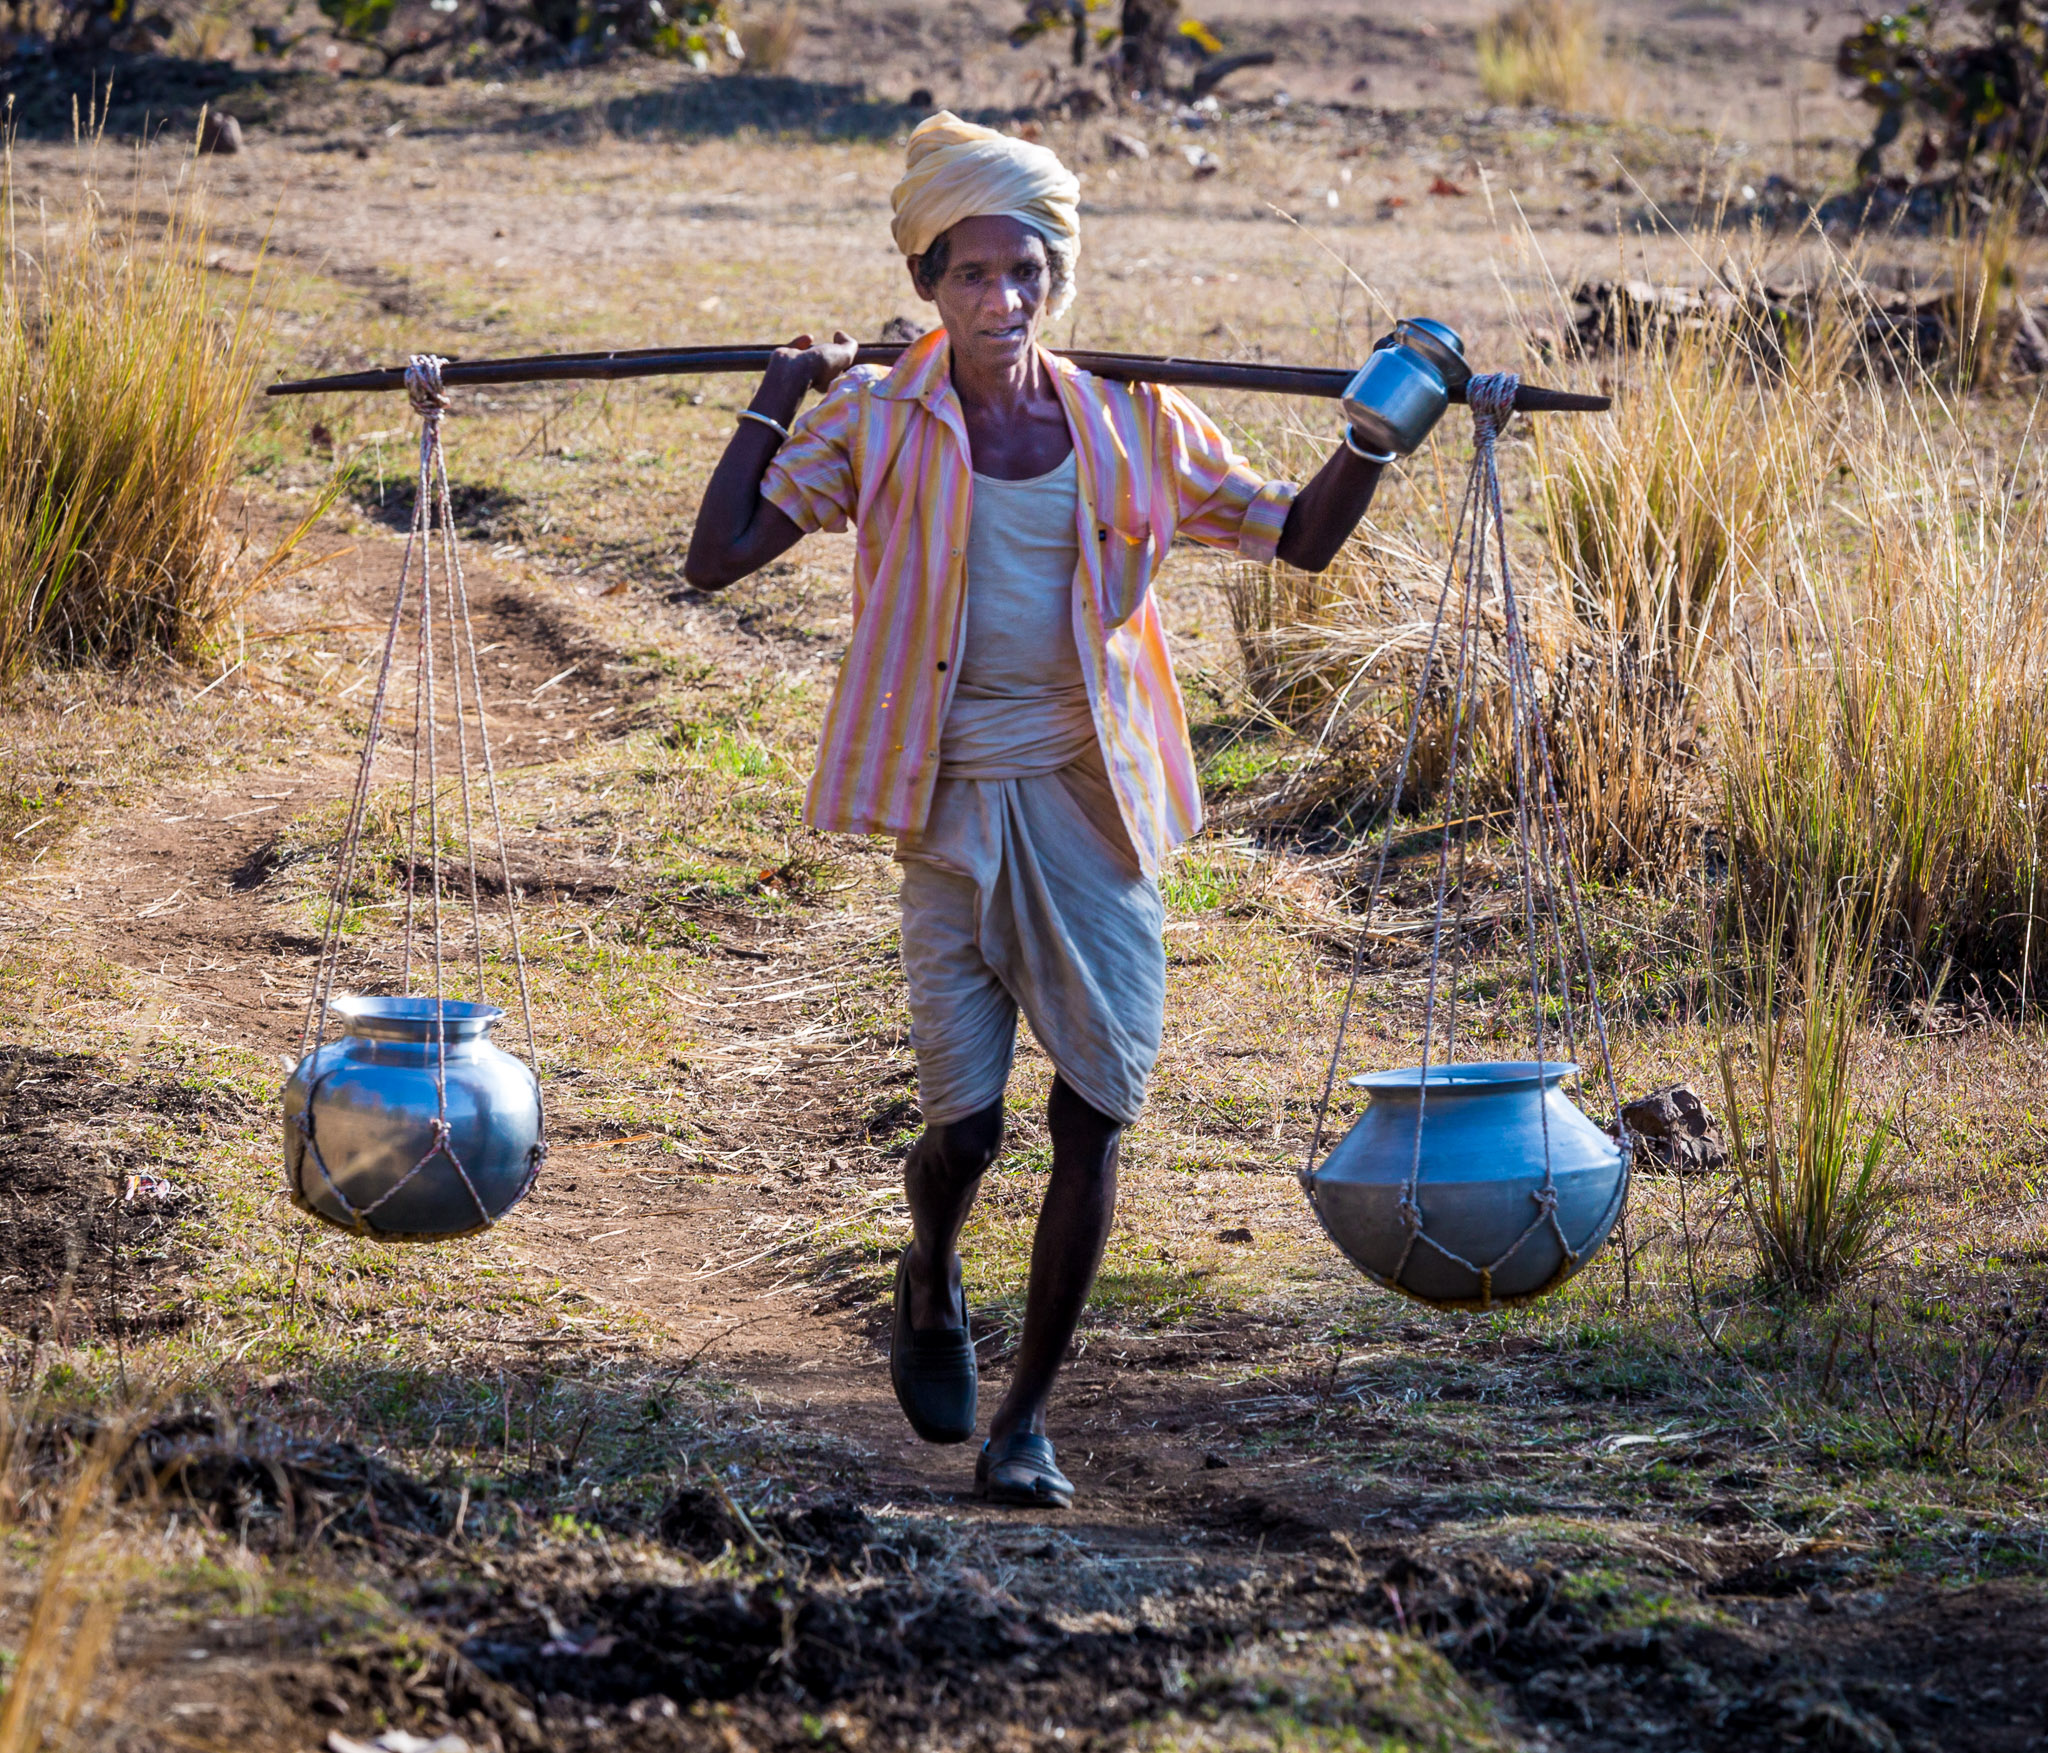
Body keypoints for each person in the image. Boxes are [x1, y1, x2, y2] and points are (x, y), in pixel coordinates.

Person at [684, 113, 1443, 1508]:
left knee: (1095, 1110)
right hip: (949, 803)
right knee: (964, 1131)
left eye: (1027, 272)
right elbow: (715, 558)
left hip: (1096, 809)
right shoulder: (877, 419)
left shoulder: (1131, 421)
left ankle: (1024, 1418)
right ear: (926, 281)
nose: (1002, 302)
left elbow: (1301, 535)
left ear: (1057, 278)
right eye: (972, 274)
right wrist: (775, 394)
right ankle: (929, 1268)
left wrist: (1384, 426)